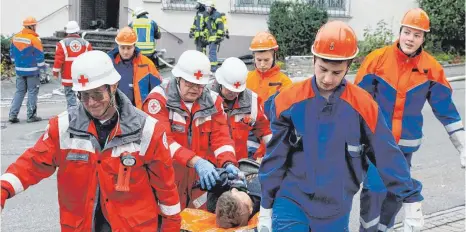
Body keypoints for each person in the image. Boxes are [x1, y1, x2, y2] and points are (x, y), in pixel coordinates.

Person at [257, 21, 425, 232]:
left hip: (335, 209)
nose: (327, 79)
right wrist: (265, 208)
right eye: (323, 69)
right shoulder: (288, 101)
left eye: (336, 73)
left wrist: (411, 201)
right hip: (292, 200)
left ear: (349, 66)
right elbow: (275, 157)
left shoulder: (364, 106)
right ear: (314, 60)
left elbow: (386, 153)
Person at [0, 50, 181, 231]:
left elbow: (166, 189)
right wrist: (3, 189)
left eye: (97, 94)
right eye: (84, 96)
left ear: (114, 86)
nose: (91, 102)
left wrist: (171, 226)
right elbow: (33, 163)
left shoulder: (148, 130)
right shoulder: (63, 127)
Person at [354, 8, 465, 232]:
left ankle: (384, 229)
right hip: (377, 144)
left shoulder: (431, 68)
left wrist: (462, 145)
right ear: (400, 32)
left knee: (395, 193)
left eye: (417, 35)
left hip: (404, 148)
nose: (410, 39)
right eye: (407, 32)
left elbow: (446, 109)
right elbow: (356, 101)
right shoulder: (378, 60)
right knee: (375, 188)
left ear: (424, 38)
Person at [142, 50, 240, 210]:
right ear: (178, 78)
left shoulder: (213, 102)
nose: (195, 89)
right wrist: (196, 161)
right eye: (189, 83)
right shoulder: (158, 101)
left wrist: (229, 162)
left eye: (200, 85)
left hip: (198, 183)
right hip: (166, 180)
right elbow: (162, 143)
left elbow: (221, 138)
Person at [210, 57, 272, 160]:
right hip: (211, 165)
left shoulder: (252, 101)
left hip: (238, 164)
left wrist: (274, 149)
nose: (233, 93)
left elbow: (264, 130)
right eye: (229, 89)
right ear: (221, 83)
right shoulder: (207, 100)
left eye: (237, 91)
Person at [108, 26, 162, 110]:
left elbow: (159, 90)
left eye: (129, 48)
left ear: (134, 46)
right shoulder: (109, 63)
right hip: (114, 113)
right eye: (122, 48)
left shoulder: (147, 64)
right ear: (118, 46)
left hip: (138, 113)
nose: (125, 52)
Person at [8, 16, 45, 123]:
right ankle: (31, 116)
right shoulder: (35, 39)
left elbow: (12, 53)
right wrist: (42, 69)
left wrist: (17, 63)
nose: (35, 27)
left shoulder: (15, 37)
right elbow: (39, 56)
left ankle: (12, 115)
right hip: (32, 71)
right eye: (34, 25)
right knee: (32, 92)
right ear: (31, 26)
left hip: (19, 70)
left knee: (19, 92)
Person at [52, 20, 92, 109]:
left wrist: (55, 73)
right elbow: (91, 60)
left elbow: (58, 60)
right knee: (83, 97)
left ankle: (73, 116)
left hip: (68, 76)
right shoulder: (86, 44)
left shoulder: (62, 44)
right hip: (82, 77)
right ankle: (84, 115)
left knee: (70, 97)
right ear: (77, 30)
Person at [203, 0, 225, 72]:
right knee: (211, 52)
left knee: (212, 53)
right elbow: (208, 28)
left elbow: (220, 26)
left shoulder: (217, 15)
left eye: (208, 8)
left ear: (212, 7)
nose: (207, 9)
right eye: (206, 8)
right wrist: (204, 36)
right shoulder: (209, 16)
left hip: (215, 37)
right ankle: (212, 67)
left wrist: (219, 37)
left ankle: (213, 68)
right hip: (210, 38)